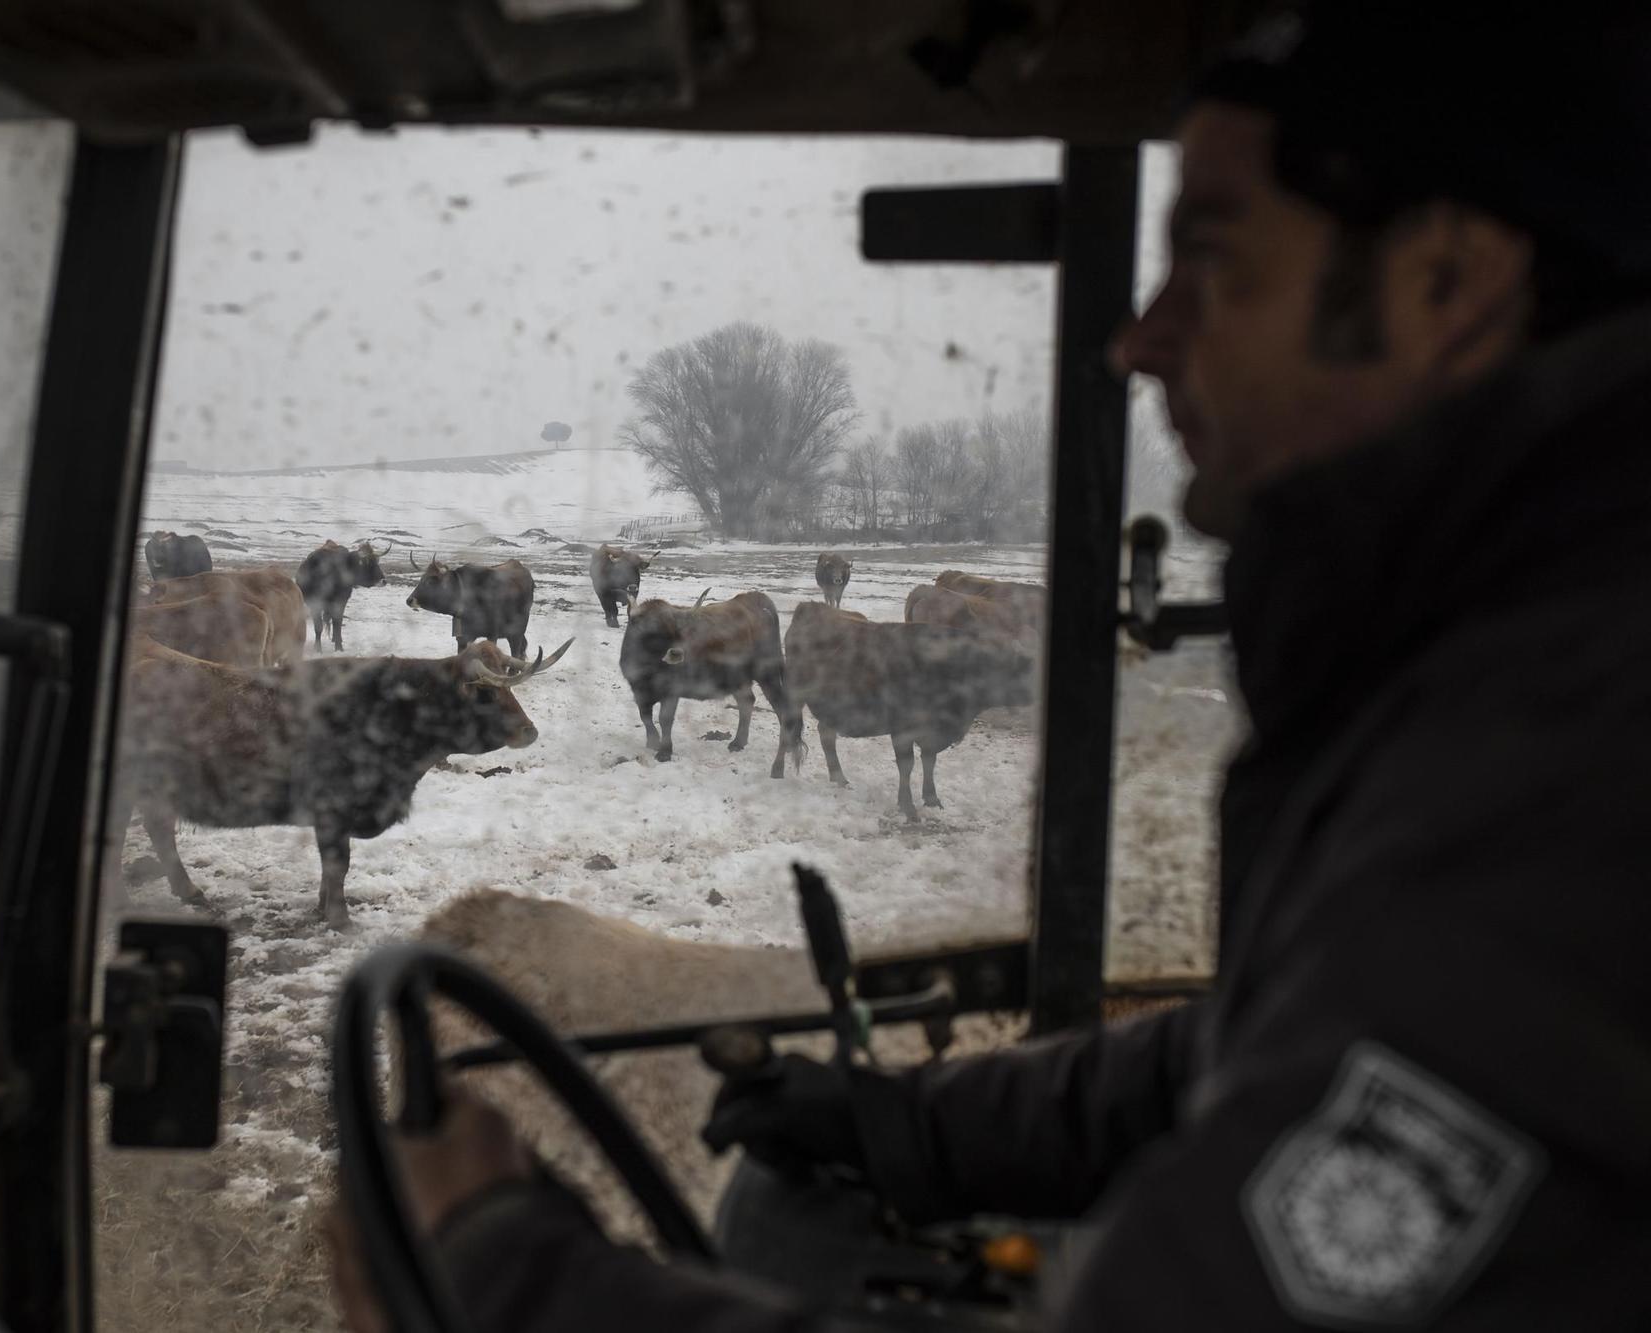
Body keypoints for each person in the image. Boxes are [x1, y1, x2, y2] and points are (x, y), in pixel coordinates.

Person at [327, 1, 1651, 1326]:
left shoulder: (1565, 763)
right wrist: (915, 1125)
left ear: (1445, 283)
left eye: (1213, 261)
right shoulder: (1484, 663)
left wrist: (506, 1278)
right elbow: (1260, 1041)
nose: (1138, 340)